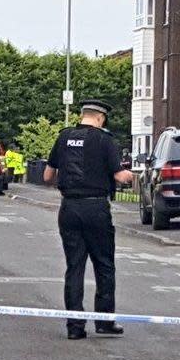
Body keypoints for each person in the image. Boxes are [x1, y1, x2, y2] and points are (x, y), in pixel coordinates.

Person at [43, 100, 135, 340]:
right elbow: (118, 175)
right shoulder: (105, 140)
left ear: (83, 115)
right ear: (101, 118)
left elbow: (47, 175)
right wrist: (129, 176)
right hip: (95, 208)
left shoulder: (63, 138)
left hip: (69, 208)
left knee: (75, 266)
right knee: (104, 264)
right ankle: (104, 322)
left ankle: (75, 327)